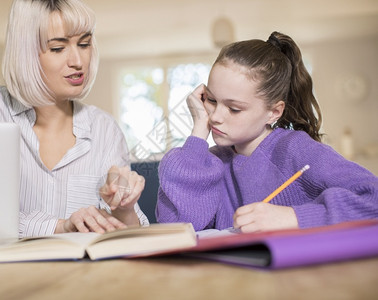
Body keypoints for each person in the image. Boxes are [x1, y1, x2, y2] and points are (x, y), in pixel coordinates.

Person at [156, 31, 378, 233]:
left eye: (234, 108)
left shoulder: (295, 149)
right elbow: (174, 229)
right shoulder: (211, 163)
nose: (215, 116)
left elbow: (373, 197)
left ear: (274, 112)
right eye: (211, 100)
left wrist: (293, 217)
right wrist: (197, 134)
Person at [0, 0, 149, 237]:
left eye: (84, 44)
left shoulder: (105, 128)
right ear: (25, 53)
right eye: (58, 48)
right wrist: (60, 226)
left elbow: (130, 234)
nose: (78, 62)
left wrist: (124, 207)